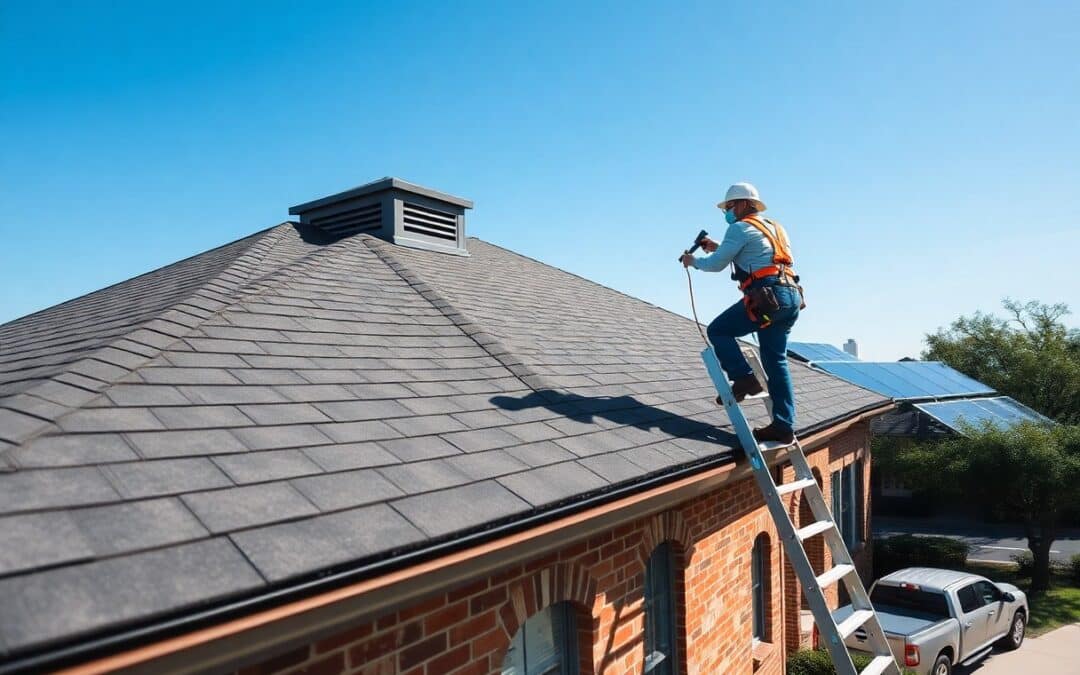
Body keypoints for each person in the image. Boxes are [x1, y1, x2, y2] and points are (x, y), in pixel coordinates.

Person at [680, 182, 803, 444]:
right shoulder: (775, 227)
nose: (728, 212)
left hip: (768, 295)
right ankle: (784, 426)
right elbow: (756, 253)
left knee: (718, 331)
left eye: (730, 206)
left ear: (745, 204)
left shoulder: (739, 228)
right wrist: (717, 245)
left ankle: (744, 379)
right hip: (790, 296)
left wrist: (694, 261)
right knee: (776, 362)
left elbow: (716, 265)